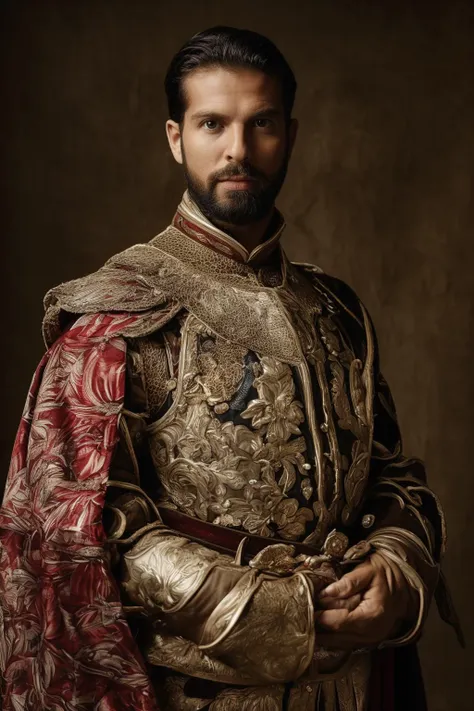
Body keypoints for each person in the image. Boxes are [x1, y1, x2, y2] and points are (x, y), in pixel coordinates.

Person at [0, 26, 461, 711]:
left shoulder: (337, 311)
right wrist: (282, 613)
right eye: (213, 123)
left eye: (261, 123)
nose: (238, 149)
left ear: (292, 135)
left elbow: (390, 473)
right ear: (175, 137)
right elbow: (84, 532)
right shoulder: (118, 315)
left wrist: (397, 565)